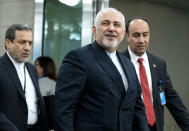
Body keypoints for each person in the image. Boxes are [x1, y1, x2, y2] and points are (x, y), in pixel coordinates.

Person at [54, 8, 149, 131]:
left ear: (123, 32)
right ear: (94, 30)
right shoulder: (78, 58)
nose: (111, 28)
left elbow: (138, 108)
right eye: (105, 23)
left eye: (117, 25)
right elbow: (63, 109)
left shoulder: (128, 64)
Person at [123, 17, 189, 131]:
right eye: (136, 35)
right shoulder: (119, 62)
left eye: (145, 34)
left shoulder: (159, 63)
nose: (142, 40)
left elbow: (170, 97)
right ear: (127, 36)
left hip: (156, 127)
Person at [0, 24, 48, 131]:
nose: (27, 48)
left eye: (30, 43)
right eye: (22, 42)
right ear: (8, 43)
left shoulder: (32, 69)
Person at [35, 56, 56, 130]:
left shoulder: (40, 82)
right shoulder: (55, 82)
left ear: (44, 67)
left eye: (36, 64)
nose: (34, 67)